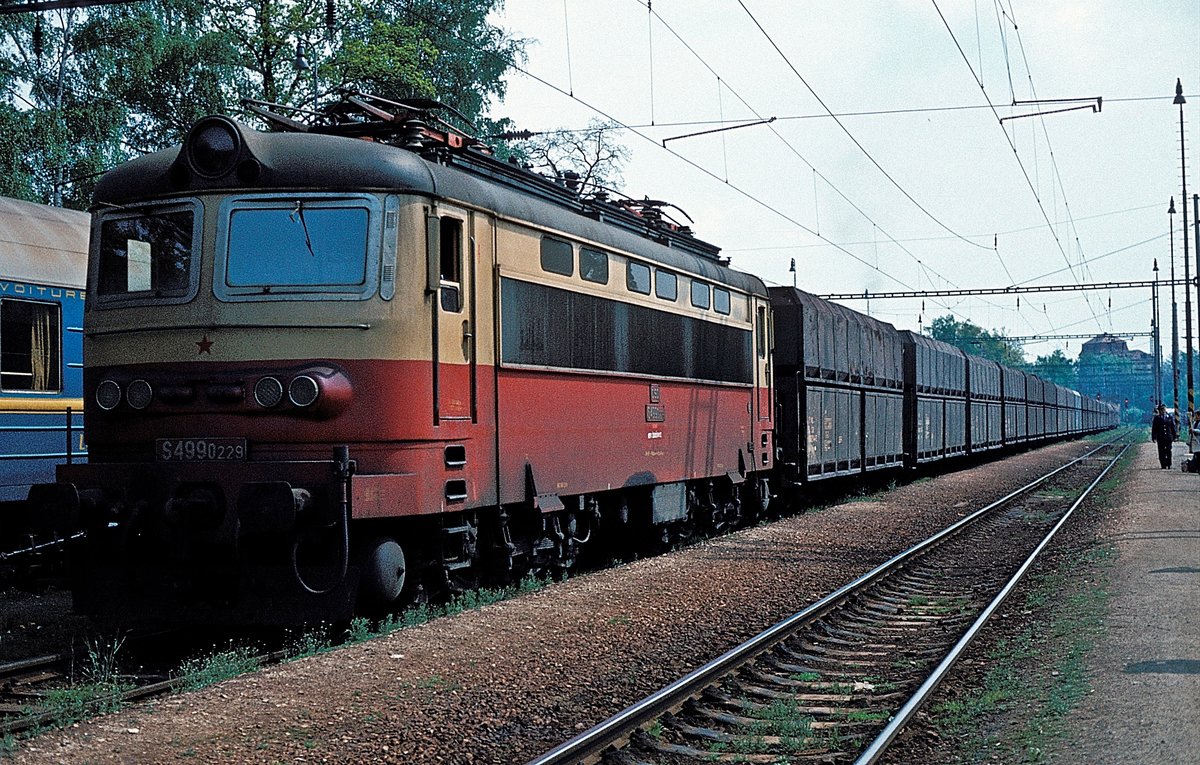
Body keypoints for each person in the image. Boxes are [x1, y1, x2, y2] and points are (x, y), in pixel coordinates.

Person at [1151, 404, 1178, 469]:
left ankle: (1169, 464)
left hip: (1168, 437)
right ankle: (1163, 464)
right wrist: (1154, 437)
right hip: (1160, 437)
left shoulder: (1170, 417)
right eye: (1161, 409)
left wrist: (1175, 436)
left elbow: (1173, 427)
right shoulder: (1157, 418)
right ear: (1159, 410)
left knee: (1168, 450)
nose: (1163, 411)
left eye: (1164, 409)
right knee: (1161, 451)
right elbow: (1154, 428)